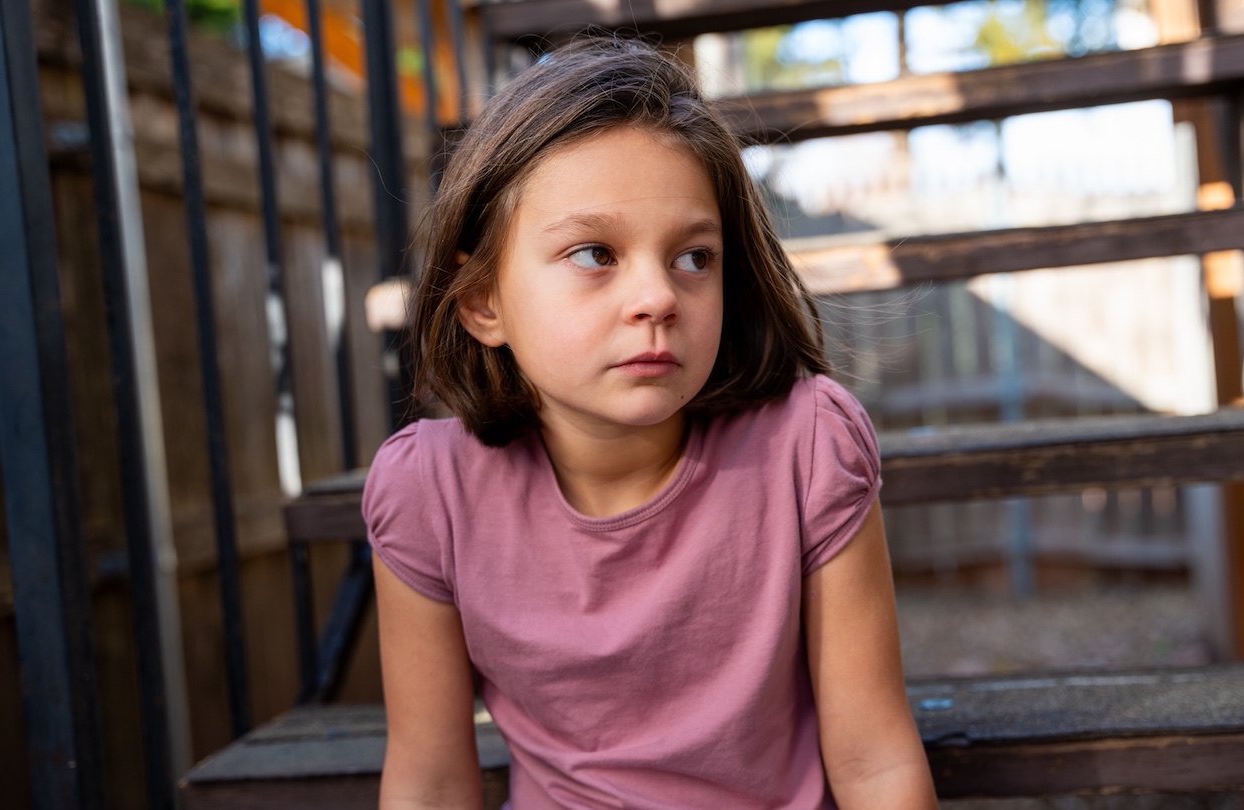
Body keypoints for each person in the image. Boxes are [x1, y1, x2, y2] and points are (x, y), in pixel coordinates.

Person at [363, 36, 936, 810]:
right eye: (595, 253)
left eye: (694, 258)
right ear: (483, 302)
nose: (659, 297)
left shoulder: (807, 448)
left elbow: (875, 763)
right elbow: (430, 783)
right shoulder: (428, 493)